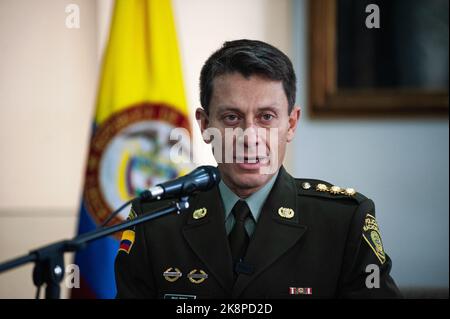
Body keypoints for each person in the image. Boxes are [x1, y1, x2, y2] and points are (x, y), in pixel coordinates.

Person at [114, 39, 401, 298]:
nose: (249, 137)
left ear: (290, 124)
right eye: (231, 117)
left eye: (266, 117)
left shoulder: (343, 222)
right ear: (204, 125)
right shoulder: (155, 221)